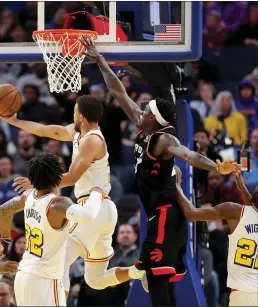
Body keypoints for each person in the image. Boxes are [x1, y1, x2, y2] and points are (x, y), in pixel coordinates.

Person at [80, 36, 240, 306]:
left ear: (153, 117)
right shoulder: (145, 126)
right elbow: (118, 92)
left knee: (155, 277)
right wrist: (100, 61)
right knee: (159, 280)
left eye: (144, 110)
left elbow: (189, 155)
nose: (138, 109)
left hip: (167, 212)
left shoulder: (164, 139)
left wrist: (216, 166)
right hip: (159, 212)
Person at [0, 95, 142, 297]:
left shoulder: (92, 140)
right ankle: (138, 272)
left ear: (81, 116)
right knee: (96, 280)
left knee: (60, 257)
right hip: (102, 210)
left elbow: (73, 176)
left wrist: (38, 182)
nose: (72, 114)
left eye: (74, 111)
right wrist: (14, 121)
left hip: (93, 206)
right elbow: (46, 130)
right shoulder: (78, 132)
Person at [0, 153, 140, 305]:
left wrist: (5, 240)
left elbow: (4, 210)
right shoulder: (58, 203)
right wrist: (96, 193)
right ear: (58, 178)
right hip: (46, 279)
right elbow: (88, 216)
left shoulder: (28, 196)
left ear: (31, 179)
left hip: (23, 275)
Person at [175, 168, 258, 307]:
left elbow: (191, 213)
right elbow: (252, 213)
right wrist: (243, 190)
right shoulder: (243, 213)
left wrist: (177, 186)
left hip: (241, 295)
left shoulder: (233, 210)